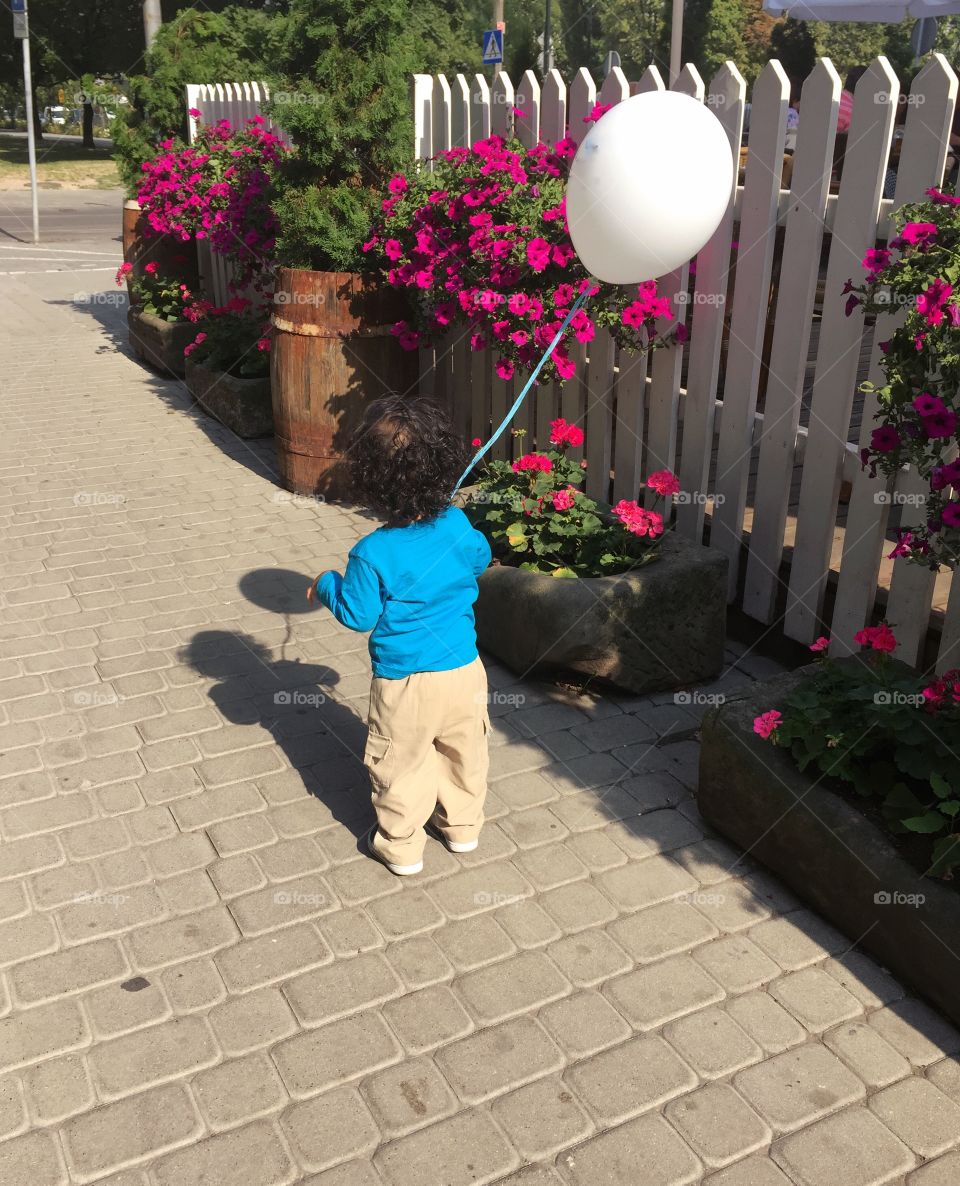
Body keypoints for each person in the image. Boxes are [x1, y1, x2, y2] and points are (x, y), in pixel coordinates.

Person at [306, 396, 492, 876]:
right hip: (465, 671)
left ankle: (401, 844)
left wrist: (328, 584)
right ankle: (461, 827)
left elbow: (358, 613)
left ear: (369, 481)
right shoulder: (457, 522)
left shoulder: (372, 552)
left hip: (405, 683)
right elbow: (478, 559)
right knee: (463, 749)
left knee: (402, 763)